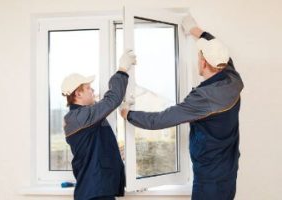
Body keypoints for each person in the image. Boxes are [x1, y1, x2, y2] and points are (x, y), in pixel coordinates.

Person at [120, 15, 244, 200]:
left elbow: (159, 120)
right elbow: (217, 47)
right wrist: (196, 30)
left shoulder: (203, 98)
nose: (197, 59)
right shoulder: (232, 77)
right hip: (228, 170)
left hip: (209, 180)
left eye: (199, 56)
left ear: (203, 63)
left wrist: (128, 114)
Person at [61, 50, 136, 200]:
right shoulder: (79, 117)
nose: (93, 91)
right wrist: (122, 70)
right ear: (78, 94)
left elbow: (97, 142)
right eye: (88, 88)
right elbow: (111, 100)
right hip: (94, 192)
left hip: (97, 190)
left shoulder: (83, 117)